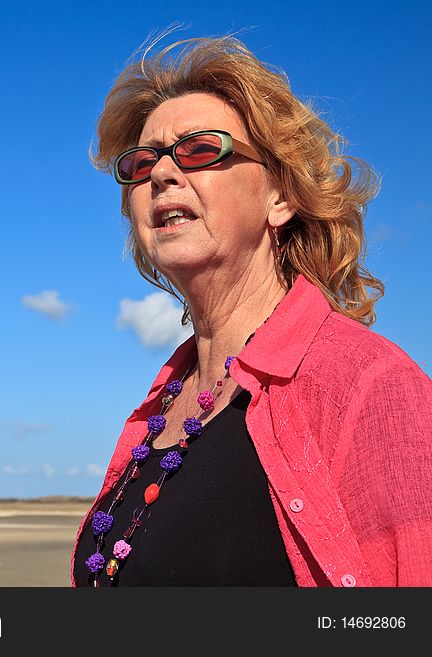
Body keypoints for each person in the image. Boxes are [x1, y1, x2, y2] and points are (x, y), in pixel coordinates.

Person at [71, 34, 432, 587]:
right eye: (143, 163)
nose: (162, 174)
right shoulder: (167, 397)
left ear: (280, 196)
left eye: (199, 149)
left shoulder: (368, 385)